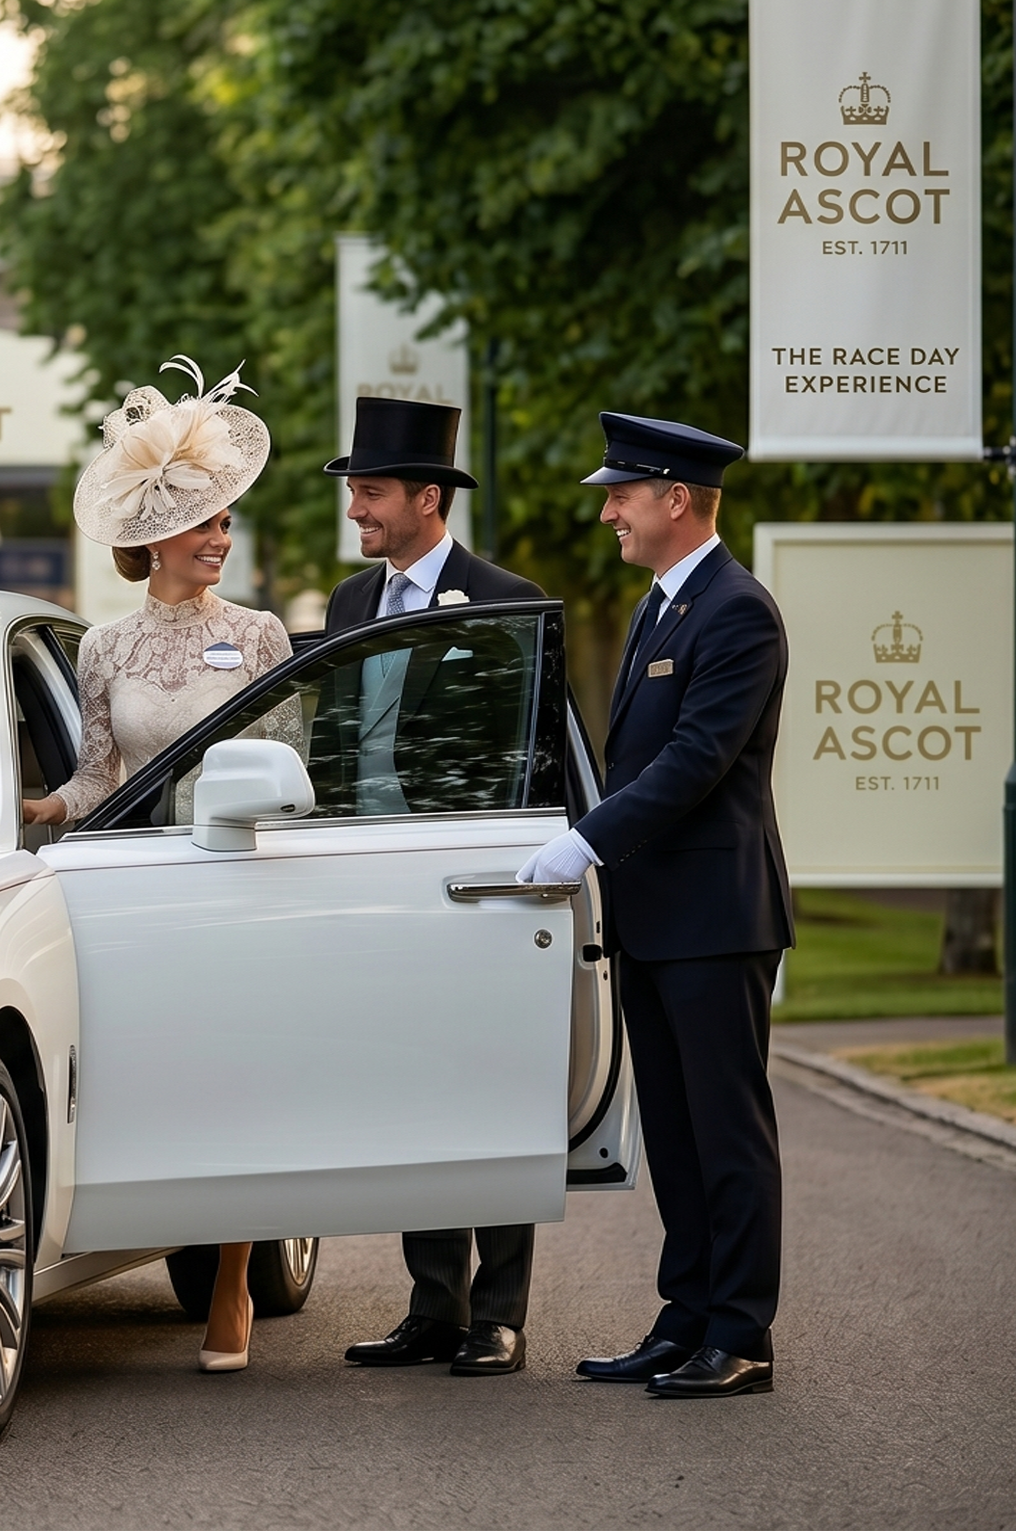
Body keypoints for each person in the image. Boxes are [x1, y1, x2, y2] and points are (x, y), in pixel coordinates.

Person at [19, 356, 297, 1376]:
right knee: (157, 1078)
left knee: (236, 1080)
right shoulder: (101, 648)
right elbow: (97, 776)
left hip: (241, 883)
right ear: (153, 539)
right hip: (141, 893)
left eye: (225, 521)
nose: (220, 537)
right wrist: (41, 809)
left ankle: (231, 1275)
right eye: (202, 524)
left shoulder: (260, 635)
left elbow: (290, 771)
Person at [517, 412, 791, 1400]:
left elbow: (693, 762)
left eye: (621, 496)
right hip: (658, 916)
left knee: (726, 1133)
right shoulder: (661, 607)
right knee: (673, 1135)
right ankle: (687, 1317)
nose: (607, 514)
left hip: (715, 918)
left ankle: (740, 1334)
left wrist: (584, 842)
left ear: (677, 499)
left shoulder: (737, 611)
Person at [322, 396, 549, 1379]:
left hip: (471, 889)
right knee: (410, 1089)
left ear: (427, 497)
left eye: (370, 492)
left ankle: (497, 1315)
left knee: (489, 1087)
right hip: (371, 890)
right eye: (353, 493)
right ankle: (432, 1306)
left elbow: (530, 755)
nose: (355, 510)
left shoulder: (504, 599)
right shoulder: (347, 603)